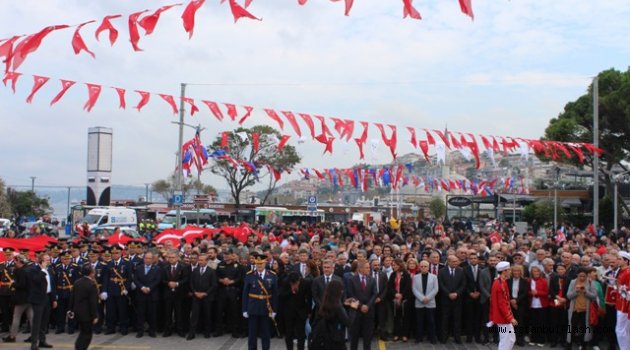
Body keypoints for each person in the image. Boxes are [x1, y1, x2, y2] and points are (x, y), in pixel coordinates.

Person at [242, 253, 278, 350]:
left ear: (265, 263)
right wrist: (244, 309)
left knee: (265, 334)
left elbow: (275, 295)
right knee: (252, 334)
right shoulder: (250, 275)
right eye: (257, 264)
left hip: (266, 308)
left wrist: (274, 310)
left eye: (261, 264)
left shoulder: (272, 275)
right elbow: (245, 293)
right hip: (253, 308)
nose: (259, 266)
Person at [310, 279, 359, 350]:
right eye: (341, 290)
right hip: (336, 340)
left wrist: (343, 304)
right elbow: (348, 322)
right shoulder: (337, 307)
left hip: (325, 339)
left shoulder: (325, 303)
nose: (342, 292)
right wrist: (353, 308)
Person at [345, 259, 377, 350]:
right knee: (354, 339)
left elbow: (374, 294)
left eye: (369, 267)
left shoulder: (372, 279)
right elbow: (351, 295)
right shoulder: (351, 280)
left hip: (369, 312)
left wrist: (367, 306)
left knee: (367, 338)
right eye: (367, 268)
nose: (369, 269)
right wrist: (361, 306)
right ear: (360, 269)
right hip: (355, 313)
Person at [27, 253, 56, 350]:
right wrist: (43, 270)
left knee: (44, 321)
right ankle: (34, 343)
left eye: (49, 259)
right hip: (38, 299)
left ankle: (42, 341)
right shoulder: (33, 270)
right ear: (41, 261)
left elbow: (52, 284)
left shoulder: (50, 270)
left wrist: (54, 299)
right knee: (37, 322)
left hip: (47, 297)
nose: (49, 261)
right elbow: (36, 280)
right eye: (46, 260)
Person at [3, 254, 33, 343]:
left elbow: (22, 284)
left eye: (16, 261)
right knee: (32, 318)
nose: (15, 263)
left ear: (20, 262)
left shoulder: (20, 271)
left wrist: (13, 284)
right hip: (29, 297)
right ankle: (35, 335)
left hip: (21, 299)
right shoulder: (29, 269)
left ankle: (12, 336)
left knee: (16, 317)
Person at [187, 253, 218, 340]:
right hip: (196, 297)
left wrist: (206, 293)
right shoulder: (195, 271)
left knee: (207, 315)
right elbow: (191, 283)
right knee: (194, 316)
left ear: (206, 261)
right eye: (199, 260)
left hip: (207, 297)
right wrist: (195, 292)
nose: (199, 262)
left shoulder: (211, 271)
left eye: (201, 260)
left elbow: (214, 285)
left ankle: (207, 332)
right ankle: (192, 333)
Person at [566, 267, 597, 349]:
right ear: (577, 275)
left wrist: (585, 292)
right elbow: (568, 296)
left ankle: (584, 345)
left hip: (586, 310)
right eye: (580, 276)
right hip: (575, 309)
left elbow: (594, 296)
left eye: (584, 276)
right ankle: (569, 344)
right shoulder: (573, 282)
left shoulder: (590, 283)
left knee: (585, 328)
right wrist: (576, 291)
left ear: (587, 275)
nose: (582, 278)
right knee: (572, 328)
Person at [68, 264, 99, 350]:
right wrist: (95, 315)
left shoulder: (77, 282)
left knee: (82, 332)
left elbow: (72, 297)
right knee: (87, 334)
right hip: (87, 313)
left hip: (77, 311)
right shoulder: (91, 284)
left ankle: (78, 347)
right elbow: (92, 302)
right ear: (91, 273)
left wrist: (70, 310)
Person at [489, 261, 518, 350]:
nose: (510, 271)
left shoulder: (501, 282)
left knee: (511, 338)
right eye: (509, 270)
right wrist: (510, 318)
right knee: (505, 340)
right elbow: (502, 304)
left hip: (503, 318)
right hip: (502, 319)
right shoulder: (500, 284)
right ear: (504, 271)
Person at [437, 254, 466, 344]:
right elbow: (441, 284)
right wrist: (448, 294)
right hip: (445, 299)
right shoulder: (441, 271)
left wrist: (456, 293)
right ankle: (444, 337)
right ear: (448, 262)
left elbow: (463, 284)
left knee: (457, 319)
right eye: (453, 261)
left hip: (457, 300)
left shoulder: (461, 271)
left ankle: (457, 337)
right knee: (445, 319)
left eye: (456, 261)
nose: (456, 263)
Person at [161, 249, 189, 338]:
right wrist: (168, 283)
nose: (171, 259)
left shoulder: (183, 267)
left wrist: (177, 283)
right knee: (167, 313)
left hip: (179, 294)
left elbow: (186, 279)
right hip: (168, 294)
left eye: (173, 257)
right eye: (169, 257)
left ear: (177, 258)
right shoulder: (165, 267)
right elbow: (162, 280)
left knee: (179, 313)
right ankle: (167, 330)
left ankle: (179, 330)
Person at [280, 271, 311, 350]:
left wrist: (309, 311)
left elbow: (309, 298)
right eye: (292, 283)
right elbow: (281, 296)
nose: (294, 284)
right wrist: (291, 291)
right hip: (288, 312)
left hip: (301, 312)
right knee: (289, 333)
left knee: (301, 334)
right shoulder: (285, 282)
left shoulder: (305, 283)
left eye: (296, 283)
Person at [133, 251, 161, 338]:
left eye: (149, 258)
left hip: (152, 294)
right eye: (146, 258)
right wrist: (142, 287)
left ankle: (152, 331)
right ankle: (140, 331)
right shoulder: (138, 268)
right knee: (140, 314)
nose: (148, 260)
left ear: (153, 260)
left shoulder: (157, 269)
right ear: (144, 259)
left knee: (152, 314)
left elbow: (157, 280)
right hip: (141, 294)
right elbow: (136, 280)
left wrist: (149, 288)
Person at [411, 260, 438, 344]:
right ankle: (419, 337)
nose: (423, 268)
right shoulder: (415, 277)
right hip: (419, 303)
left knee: (431, 321)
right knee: (419, 322)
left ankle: (432, 338)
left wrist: (428, 298)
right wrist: (422, 298)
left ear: (428, 267)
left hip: (430, 303)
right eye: (421, 266)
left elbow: (436, 289)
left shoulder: (434, 277)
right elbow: (414, 289)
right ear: (419, 267)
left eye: (425, 266)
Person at [386, 258, 412, 342]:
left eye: (395, 265)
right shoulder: (393, 274)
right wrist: (395, 294)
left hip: (405, 299)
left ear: (400, 265)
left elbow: (408, 287)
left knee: (405, 317)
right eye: (393, 265)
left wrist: (401, 295)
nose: (393, 266)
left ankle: (405, 334)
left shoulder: (406, 274)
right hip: (395, 299)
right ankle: (396, 334)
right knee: (396, 317)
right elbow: (390, 287)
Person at [527, 265, 549, 347]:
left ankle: (541, 340)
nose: (536, 273)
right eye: (534, 271)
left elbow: (547, 293)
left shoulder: (544, 281)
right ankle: (533, 339)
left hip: (542, 305)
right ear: (532, 273)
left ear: (540, 272)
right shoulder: (529, 281)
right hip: (532, 305)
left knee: (541, 323)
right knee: (533, 323)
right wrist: (531, 293)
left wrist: (537, 293)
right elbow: (528, 292)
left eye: (537, 271)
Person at [507, 264, 528, 347]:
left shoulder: (524, 281)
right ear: (512, 272)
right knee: (510, 322)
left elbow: (524, 293)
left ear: (521, 272)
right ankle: (510, 338)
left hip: (521, 304)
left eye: (518, 271)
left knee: (520, 322)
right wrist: (512, 300)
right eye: (514, 271)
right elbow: (507, 291)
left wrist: (516, 301)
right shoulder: (508, 281)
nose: (516, 272)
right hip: (510, 303)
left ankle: (519, 339)